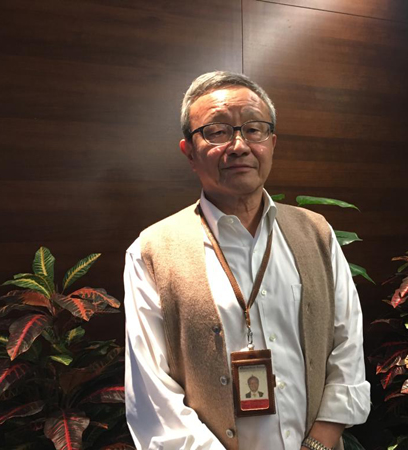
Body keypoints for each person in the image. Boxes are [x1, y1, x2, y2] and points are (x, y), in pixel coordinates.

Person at [124, 71, 371, 450]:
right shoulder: (151, 251)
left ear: (272, 143)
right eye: (217, 131)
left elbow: (347, 343)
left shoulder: (316, 232)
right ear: (189, 152)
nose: (239, 146)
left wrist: (320, 441)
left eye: (254, 129)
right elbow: (153, 394)